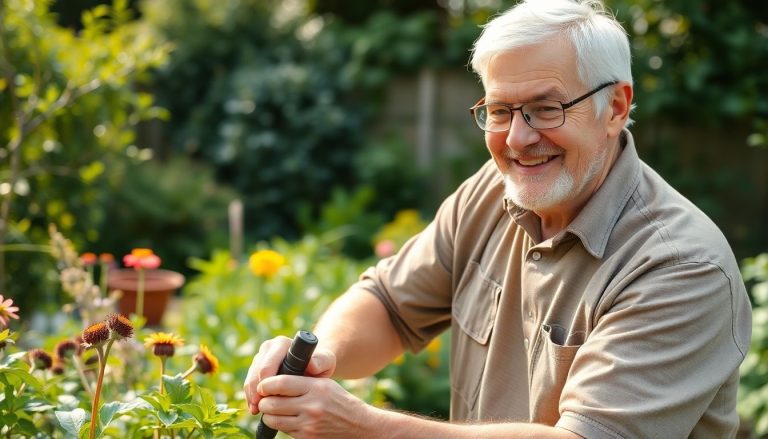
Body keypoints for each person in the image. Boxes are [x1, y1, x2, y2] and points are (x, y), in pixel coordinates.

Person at [243, 0, 752, 437]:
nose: (517, 139)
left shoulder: (681, 267)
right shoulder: (494, 190)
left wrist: (364, 427)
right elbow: (389, 304)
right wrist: (318, 360)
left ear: (615, 107)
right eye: (500, 110)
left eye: (546, 109)